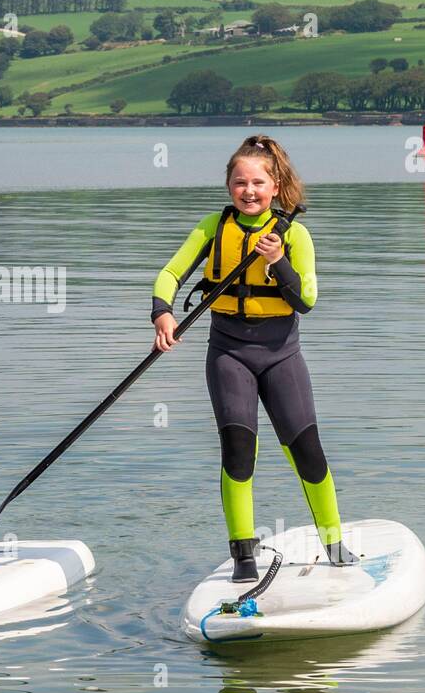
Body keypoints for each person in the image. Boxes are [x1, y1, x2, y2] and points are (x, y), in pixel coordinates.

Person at [150, 134, 357, 582]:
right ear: (229, 186)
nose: (249, 191)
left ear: (276, 186)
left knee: (307, 451)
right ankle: (244, 556)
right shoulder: (211, 228)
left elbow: (306, 300)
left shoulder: (294, 233)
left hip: (282, 355)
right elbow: (170, 273)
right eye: (240, 182)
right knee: (237, 450)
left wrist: (279, 261)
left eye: (258, 183)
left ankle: (335, 544)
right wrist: (162, 312)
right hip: (228, 353)